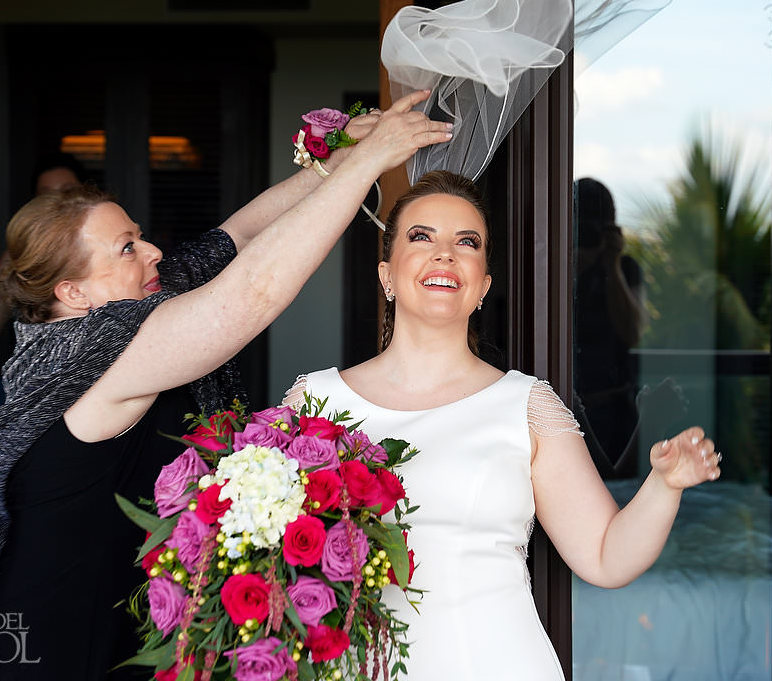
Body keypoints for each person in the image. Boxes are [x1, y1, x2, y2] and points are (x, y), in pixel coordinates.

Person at [0, 91, 452, 680]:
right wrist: (367, 164)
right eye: (128, 248)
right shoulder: (80, 355)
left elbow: (245, 236)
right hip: (59, 640)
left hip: (128, 622)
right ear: (73, 295)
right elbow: (246, 298)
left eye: (139, 234)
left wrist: (344, 153)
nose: (153, 250)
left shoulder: (137, 298)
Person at [283, 170, 721, 681]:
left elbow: (606, 556)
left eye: (466, 242)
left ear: (483, 285)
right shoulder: (312, 402)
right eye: (421, 236)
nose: (445, 254)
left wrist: (665, 485)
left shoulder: (526, 405)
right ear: (386, 273)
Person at [0, 151, 86, 616]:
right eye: (46, 195)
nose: (57, 202)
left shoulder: (102, 261)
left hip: (79, 407)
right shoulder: (14, 263)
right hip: (12, 403)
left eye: (67, 193)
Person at [573, 177, 647, 477]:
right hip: (570, 406)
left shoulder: (624, 268)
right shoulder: (560, 266)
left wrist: (611, 265)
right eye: (583, 228)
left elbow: (634, 333)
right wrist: (576, 264)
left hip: (616, 411)